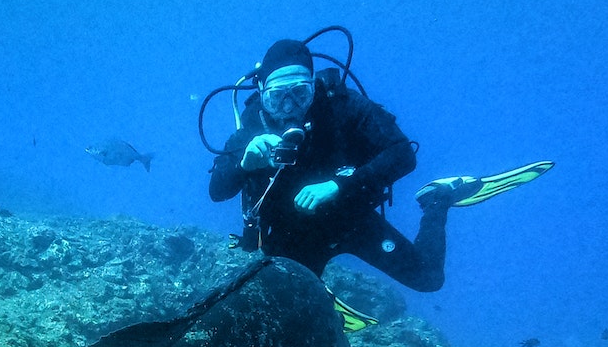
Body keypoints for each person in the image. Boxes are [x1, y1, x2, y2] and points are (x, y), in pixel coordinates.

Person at [209, 38, 487, 291]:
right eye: (277, 97)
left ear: (313, 86)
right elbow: (217, 191)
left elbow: (402, 154)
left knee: (428, 279)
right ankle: (321, 298)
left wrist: (338, 186)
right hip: (293, 234)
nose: (290, 107)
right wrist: (243, 165)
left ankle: (436, 200)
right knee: (283, 304)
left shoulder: (342, 106)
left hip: (351, 218)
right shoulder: (250, 131)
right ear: (261, 92)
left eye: (300, 93)